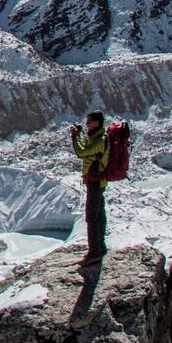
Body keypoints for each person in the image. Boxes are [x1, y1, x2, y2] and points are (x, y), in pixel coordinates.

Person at [70, 111, 110, 265]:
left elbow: (81, 152)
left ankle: (94, 253)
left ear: (97, 122)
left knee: (92, 216)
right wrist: (80, 134)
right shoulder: (95, 136)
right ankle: (100, 247)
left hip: (95, 181)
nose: (87, 124)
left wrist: (75, 136)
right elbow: (86, 150)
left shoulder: (100, 139)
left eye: (89, 121)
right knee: (99, 213)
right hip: (97, 180)